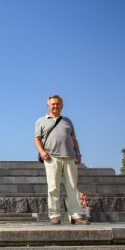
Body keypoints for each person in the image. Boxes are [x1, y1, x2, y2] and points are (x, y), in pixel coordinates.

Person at [34, 94, 89, 225]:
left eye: (58, 103)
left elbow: (73, 138)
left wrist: (78, 153)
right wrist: (42, 152)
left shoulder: (67, 121)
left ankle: (75, 215)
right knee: (53, 187)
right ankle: (54, 215)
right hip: (51, 157)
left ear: (62, 105)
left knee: (72, 187)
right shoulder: (41, 121)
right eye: (53, 104)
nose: (55, 106)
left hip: (69, 156)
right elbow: (37, 139)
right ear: (48, 106)